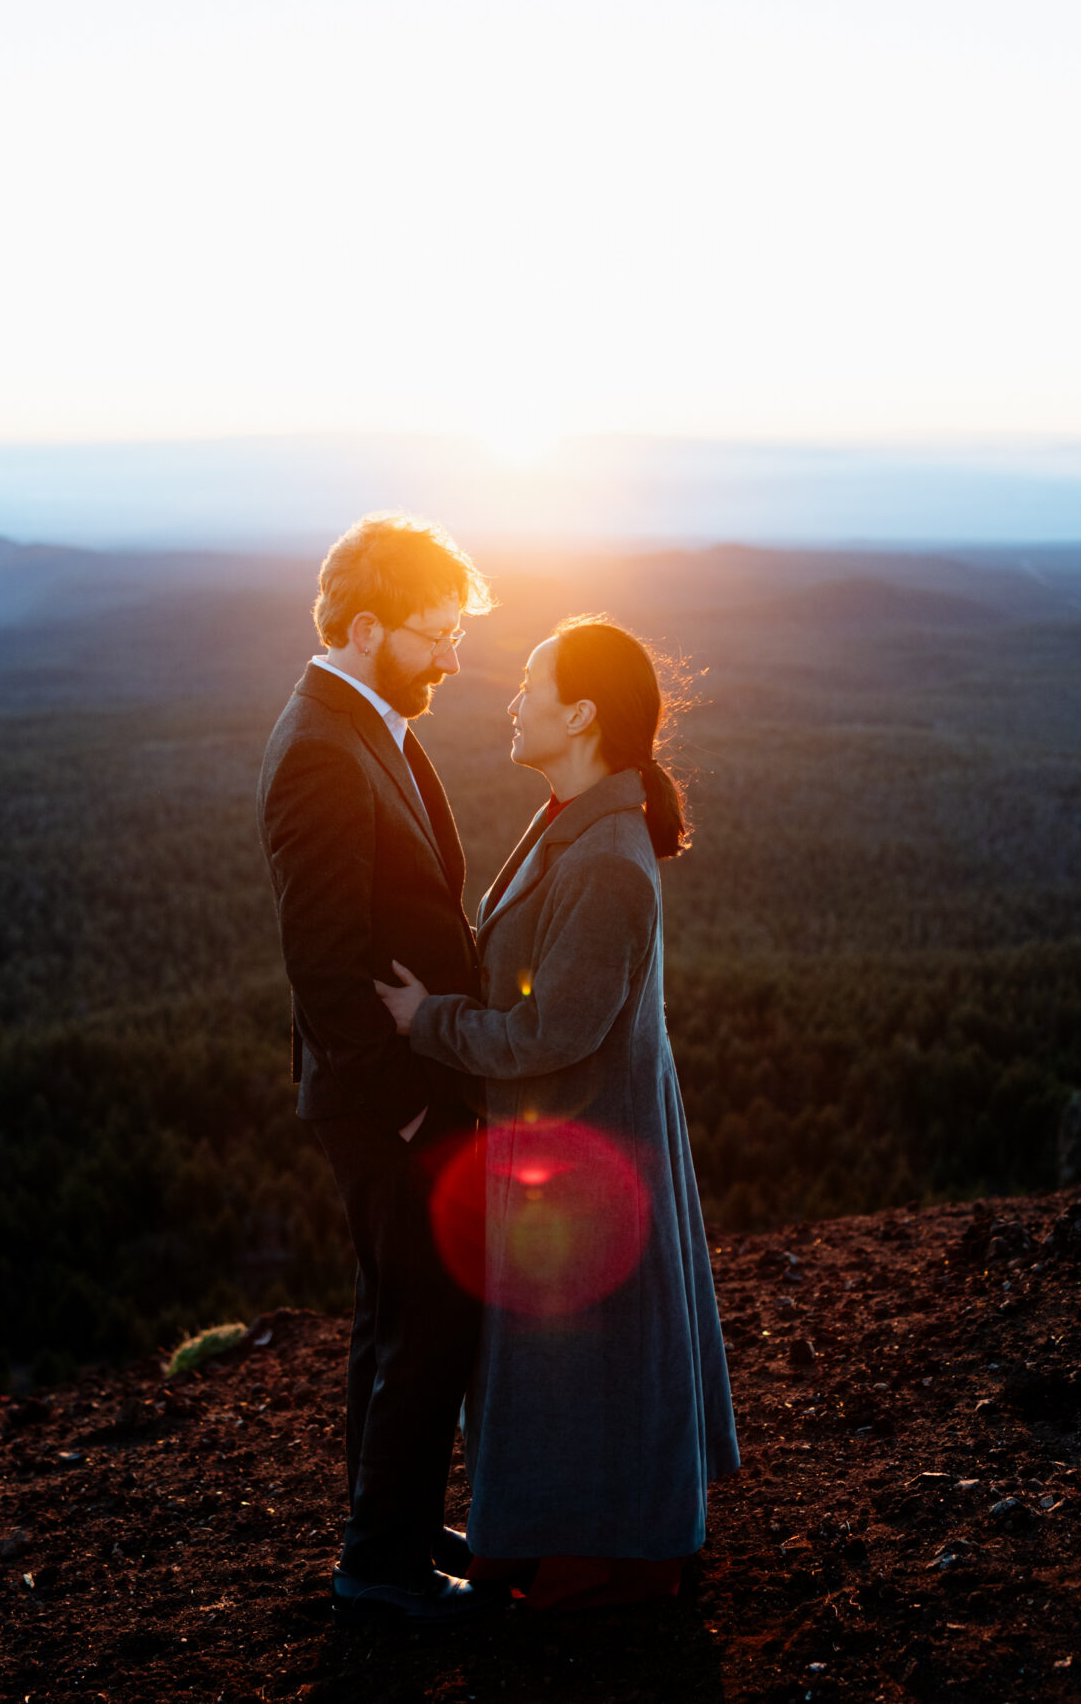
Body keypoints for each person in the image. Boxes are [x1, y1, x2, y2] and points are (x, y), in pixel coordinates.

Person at [374, 616, 741, 1612]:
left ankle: (609, 1551)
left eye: (531, 684)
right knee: (570, 1354)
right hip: (572, 1143)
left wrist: (428, 1022)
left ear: (578, 713)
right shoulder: (572, 820)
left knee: (589, 1353)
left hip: (586, 1147)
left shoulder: (605, 858)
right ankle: (553, 1536)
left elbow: (549, 1035)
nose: (511, 697)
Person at [257, 512, 498, 1618]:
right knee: (437, 1315)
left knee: (392, 1317)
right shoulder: (320, 743)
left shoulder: (365, 723)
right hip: (383, 1098)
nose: (451, 657)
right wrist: (402, 1106)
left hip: (390, 1091)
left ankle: (385, 1525)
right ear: (364, 626)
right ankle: (382, 1564)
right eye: (433, 634)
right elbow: (320, 955)